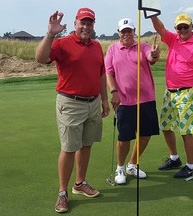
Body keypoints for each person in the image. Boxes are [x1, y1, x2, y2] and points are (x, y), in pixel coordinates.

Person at [35, 8, 110, 213]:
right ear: (75, 23)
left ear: (94, 26)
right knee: (69, 148)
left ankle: (80, 183)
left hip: (93, 103)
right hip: (70, 103)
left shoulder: (96, 46)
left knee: (86, 145)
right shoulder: (62, 43)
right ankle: (62, 193)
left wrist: (104, 100)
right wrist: (50, 34)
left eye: (90, 23)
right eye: (82, 22)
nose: (86, 26)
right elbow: (41, 59)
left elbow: (101, 74)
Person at [150, 14, 193, 181]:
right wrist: (152, 14)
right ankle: (174, 158)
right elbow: (159, 28)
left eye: (186, 27)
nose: (182, 30)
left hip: (187, 92)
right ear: (176, 28)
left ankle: (190, 167)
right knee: (166, 126)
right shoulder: (173, 39)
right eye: (179, 27)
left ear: (192, 27)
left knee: (186, 131)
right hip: (170, 92)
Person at [105, 18, 160, 185]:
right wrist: (114, 91)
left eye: (129, 30)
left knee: (145, 135)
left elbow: (150, 57)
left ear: (134, 31)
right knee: (124, 138)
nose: (126, 34)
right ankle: (120, 167)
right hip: (124, 101)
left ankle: (132, 164)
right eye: (123, 31)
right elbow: (108, 73)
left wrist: (154, 54)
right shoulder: (112, 49)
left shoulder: (142, 47)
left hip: (146, 99)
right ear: (119, 32)